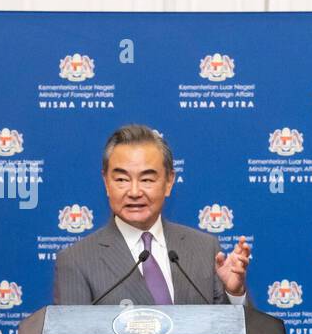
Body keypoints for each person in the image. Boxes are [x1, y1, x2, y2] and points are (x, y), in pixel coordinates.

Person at [53, 123, 251, 306]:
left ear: (169, 182)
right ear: (106, 183)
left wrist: (234, 294)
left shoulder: (205, 249)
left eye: (147, 180)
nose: (134, 192)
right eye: (122, 179)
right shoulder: (76, 261)